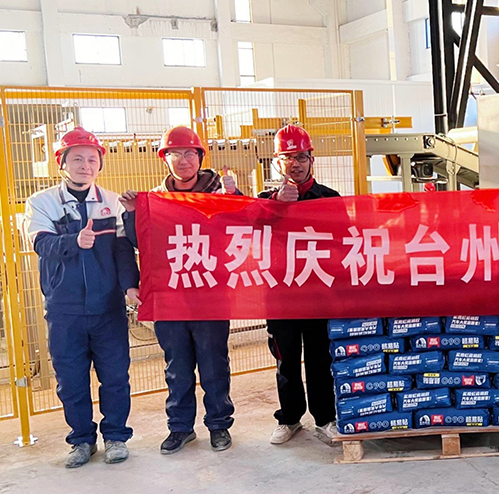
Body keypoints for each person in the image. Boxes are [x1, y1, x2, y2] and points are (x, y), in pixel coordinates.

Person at [121, 126, 240, 454]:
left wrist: (236, 197)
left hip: (210, 296)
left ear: (200, 158)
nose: (183, 160)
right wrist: (132, 214)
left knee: (213, 364)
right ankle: (180, 427)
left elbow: (246, 226)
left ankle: (219, 425)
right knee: (177, 367)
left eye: (190, 153)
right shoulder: (155, 201)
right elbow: (138, 242)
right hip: (171, 298)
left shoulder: (220, 195)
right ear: (165, 159)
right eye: (175, 153)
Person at [24, 127, 140, 467]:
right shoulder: (41, 202)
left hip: (108, 309)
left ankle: (116, 436)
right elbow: (42, 245)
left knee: (115, 377)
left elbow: (122, 251)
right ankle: (81, 441)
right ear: (62, 163)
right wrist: (73, 241)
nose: (85, 166)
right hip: (65, 310)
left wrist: (129, 286)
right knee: (71, 382)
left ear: (100, 164)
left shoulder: (111, 203)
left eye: (92, 159)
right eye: (77, 159)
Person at [258, 125, 341, 445]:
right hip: (280, 297)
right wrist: (277, 204)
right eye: (288, 157)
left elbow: (345, 242)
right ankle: (289, 418)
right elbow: (248, 230)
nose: (296, 164)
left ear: (312, 160)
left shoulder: (329, 198)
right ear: (277, 162)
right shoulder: (263, 202)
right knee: (286, 361)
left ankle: (325, 418)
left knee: (320, 360)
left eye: (301, 157)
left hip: (319, 295)